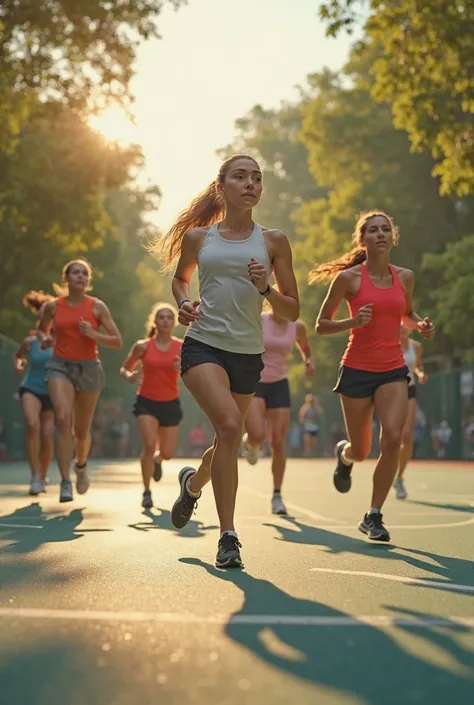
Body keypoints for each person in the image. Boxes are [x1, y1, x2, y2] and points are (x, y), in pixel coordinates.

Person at [153, 154, 299, 568]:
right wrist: (183, 304)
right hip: (203, 345)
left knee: (226, 441)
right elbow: (180, 279)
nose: (250, 183)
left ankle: (193, 484)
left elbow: (292, 310)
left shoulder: (274, 241)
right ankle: (228, 537)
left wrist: (266, 288)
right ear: (223, 187)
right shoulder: (200, 239)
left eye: (257, 178)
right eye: (241, 176)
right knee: (232, 427)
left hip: (248, 354)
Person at [311, 210, 435, 542]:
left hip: (393, 369)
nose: (380, 234)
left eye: (385, 229)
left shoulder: (405, 277)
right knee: (362, 450)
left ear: (393, 237)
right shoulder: (349, 279)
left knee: (393, 438)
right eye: (373, 230)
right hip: (356, 369)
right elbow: (321, 325)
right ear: (362, 240)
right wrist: (352, 323)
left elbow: (405, 313)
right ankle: (345, 455)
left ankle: (374, 514)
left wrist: (420, 325)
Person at [38, 259, 123, 502]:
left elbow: (117, 341)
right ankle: (65, 481)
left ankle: (81, 465)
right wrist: (45, 338)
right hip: (59, 366)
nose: (80, 276)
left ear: (88, 280)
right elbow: (43, 329)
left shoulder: (97, 307)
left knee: (81, 431)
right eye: (75, 272)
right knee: (63, 418)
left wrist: (93, 334)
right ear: (66, 278)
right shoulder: (53, 307)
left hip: (88, 369)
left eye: (84, 273)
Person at [242, 311, 314, 515]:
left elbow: (306, 347)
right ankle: (250, 443)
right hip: (255, 381)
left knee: (278, 442)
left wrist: (308, 361)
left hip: (280, 384)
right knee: (257, 434)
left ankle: (276, 495)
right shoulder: (258, 318)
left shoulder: (297, 327)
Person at [120, 303, 183, 508]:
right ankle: (147, 492)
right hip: (146, 402)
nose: (165, 320)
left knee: (167, 453)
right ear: (154, 321)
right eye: (161, 317)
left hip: (170, 403)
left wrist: (182, 368)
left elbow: (194, 373)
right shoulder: (143, 346)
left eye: (169, 317)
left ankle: (158, 461)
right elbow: (125, 368)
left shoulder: (182, 347)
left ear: (174, 323)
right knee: (148, 445)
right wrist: (130, 376)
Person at [13, 290, 55, 495]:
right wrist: (19, 365)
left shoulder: (62, 342)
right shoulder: (30, 342)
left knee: (47, 434)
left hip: (53, 391)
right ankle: (34, 475)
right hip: (31, 387)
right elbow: (18, 356)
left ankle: (42, 475)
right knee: (32, 425)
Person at [393, 324, 428, 499]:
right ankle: (387, 472)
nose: (402, 330)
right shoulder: (389, 345)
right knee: (392, 437)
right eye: (399, 327)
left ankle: (399, 478)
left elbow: (417, 366)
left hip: (410, 390)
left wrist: (420, 374)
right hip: (391, 391)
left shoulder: (416, 347)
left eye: (405, 327)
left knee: (407, 436)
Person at [298, 393, 323, 458]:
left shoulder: (317, 408)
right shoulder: (305, 408)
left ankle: (312, 453)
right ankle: (307, 454)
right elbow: (301, 416)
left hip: (315, 428)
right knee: (307, 441)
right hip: (307, 427)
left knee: (313, 443)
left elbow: (321, 414)